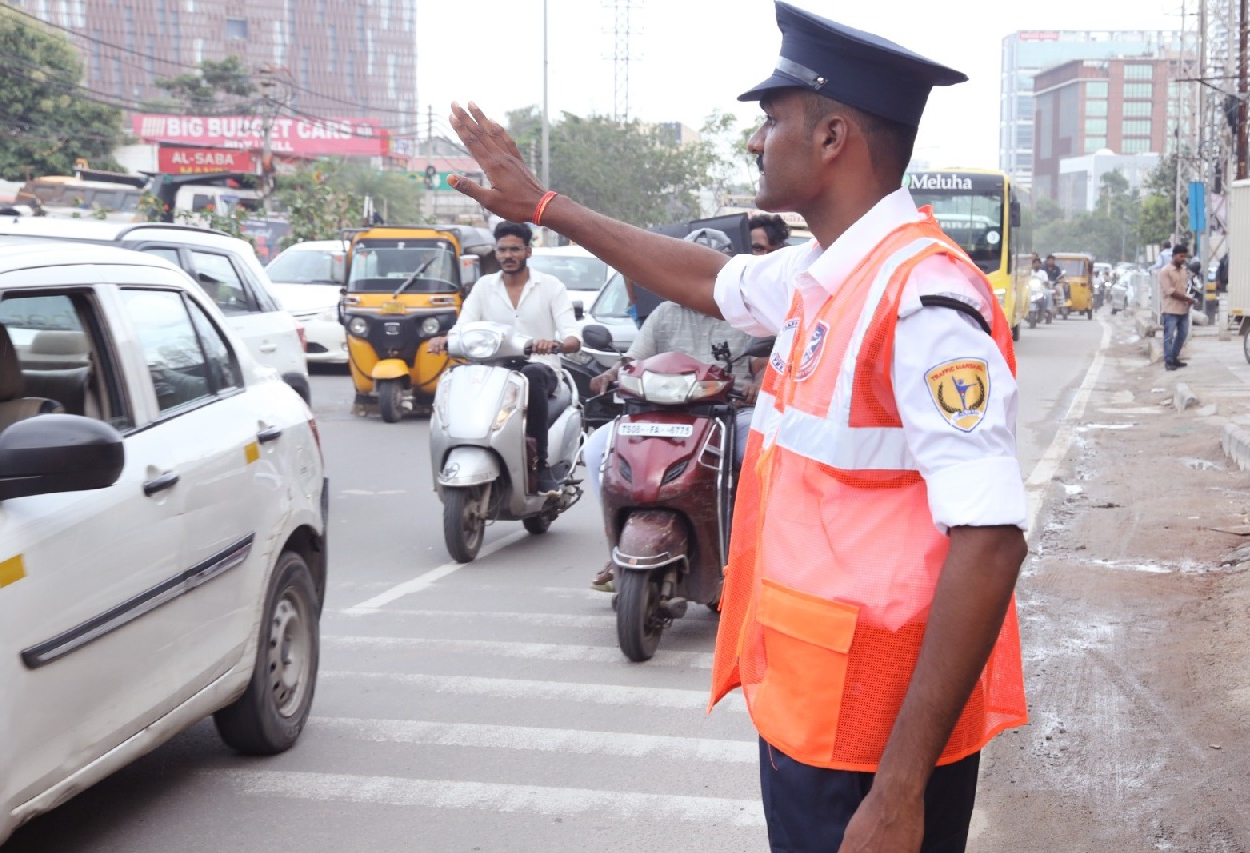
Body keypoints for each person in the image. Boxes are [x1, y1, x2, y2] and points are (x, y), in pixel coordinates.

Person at [445, 3, 1028, 851]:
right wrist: (545, 206)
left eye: (772, 120)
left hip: (876, 742)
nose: (756, 141)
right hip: (810, 709)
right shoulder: (823, 272)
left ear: (833, 139)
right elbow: (702, 276)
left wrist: (900, 792)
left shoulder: (923, 300)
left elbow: (991, 539)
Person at [585, 227, 760, 592]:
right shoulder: (665, 313)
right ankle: (618, 546)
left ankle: (750, 552)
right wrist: (612, 373)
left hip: (729, 414)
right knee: (597, 450)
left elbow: (767, 363)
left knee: (757, 457)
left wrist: (757, 385)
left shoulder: (748, 314)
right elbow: (634, 360)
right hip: (658, 415)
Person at [428, 221, 580, 491]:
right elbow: (463, 328)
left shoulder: (550, 286)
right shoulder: (484, 286)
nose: (508, 255)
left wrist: (554, 344)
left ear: (528, 252)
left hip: (540, 369)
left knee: (531, 376)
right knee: (455, 376)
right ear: (496, 253)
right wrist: (445, 340)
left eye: (515, 249)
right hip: (491, 372)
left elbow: (572, 338)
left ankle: (539, 463)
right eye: (502, 250)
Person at [1158, 243, 1194, 371]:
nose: (1182, 259)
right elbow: (1170, 291)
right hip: (1170, 309)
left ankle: (1174, 357)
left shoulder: (1183, 271)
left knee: (1183, 334)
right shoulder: (1165, 272)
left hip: (1183, 309)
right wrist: (1187, 299)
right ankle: (1168, 361)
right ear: (1173, 256)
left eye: (1184, 257)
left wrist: (1188, 299)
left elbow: (1185, 288)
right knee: (1168, 336)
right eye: (1180, 256)